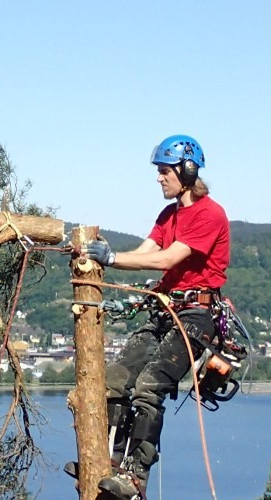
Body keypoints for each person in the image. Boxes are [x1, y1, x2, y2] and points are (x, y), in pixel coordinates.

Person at [79, 134, 231, 499]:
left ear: (187, 171)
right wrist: (108, 257)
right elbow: (147, 251)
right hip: (168, 309)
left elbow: (165, 259)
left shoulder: (210, 214)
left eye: (165, 171)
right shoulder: (169, 215)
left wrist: (111, 258)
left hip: (196, 315)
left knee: (149, 386)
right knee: (114, 380)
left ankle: (135, 476)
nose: (159, 178)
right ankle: (109, 463)